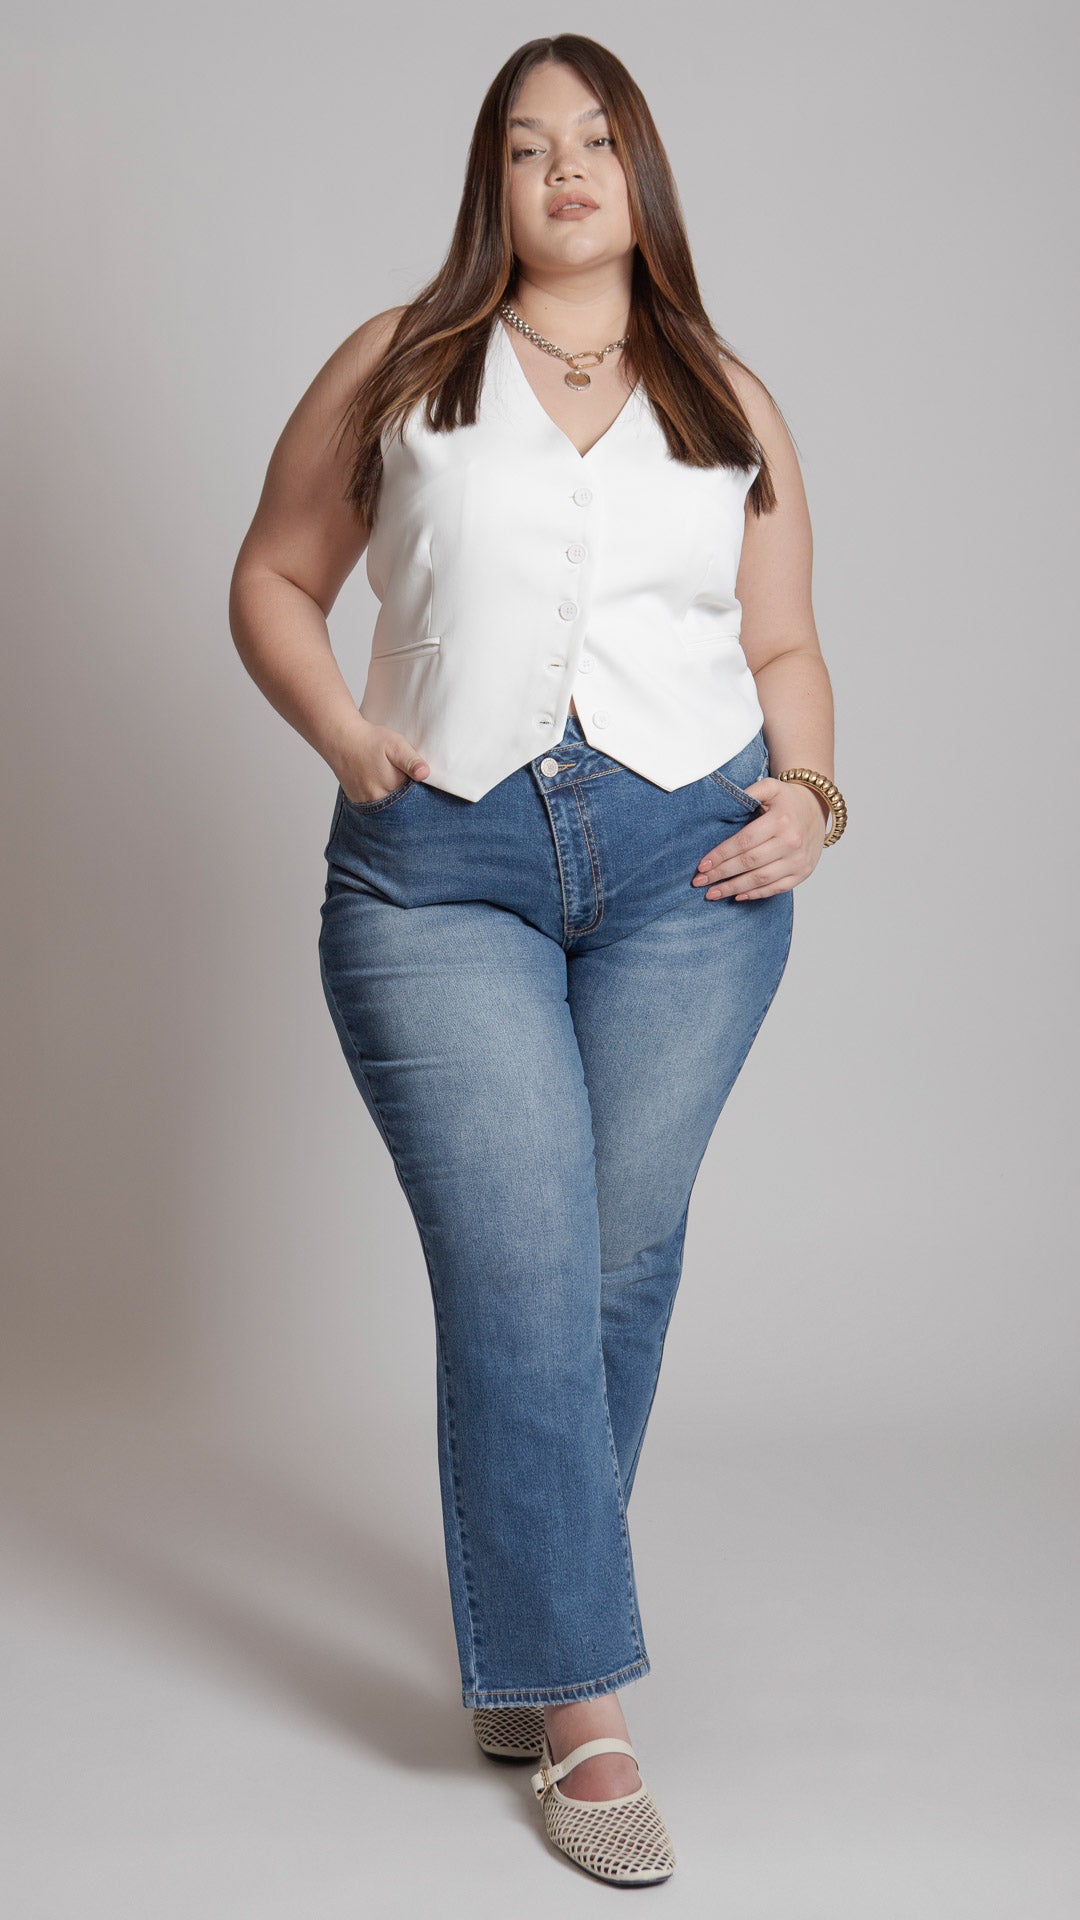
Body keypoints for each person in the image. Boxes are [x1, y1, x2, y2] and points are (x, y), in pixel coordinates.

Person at [229, 33, 845, 1890]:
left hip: (688, 874)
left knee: (615, 1262)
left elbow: (785, 644)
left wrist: (814, 795)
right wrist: (345, 735)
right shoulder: (403, 362)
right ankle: (582, 1710)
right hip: (441, 871)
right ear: (489, 187)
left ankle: (527, 1630)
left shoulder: (728, 392)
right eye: (524, 147)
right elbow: (272, 576)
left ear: (642, 173)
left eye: (595, 139)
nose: (564, 169)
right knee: (520, 1258)